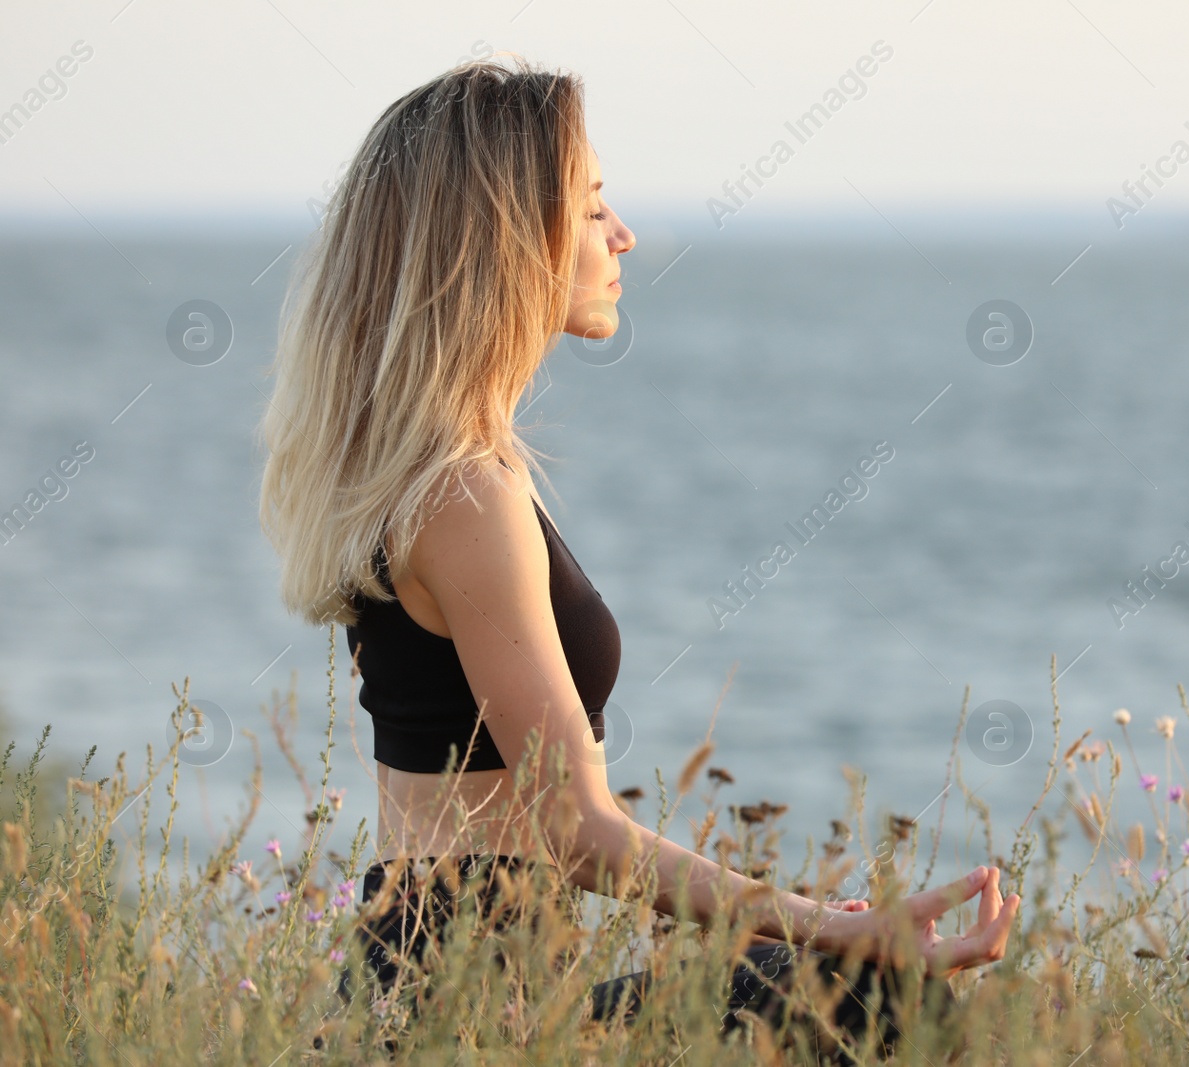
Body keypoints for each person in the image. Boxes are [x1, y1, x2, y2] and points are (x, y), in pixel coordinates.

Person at [257, 53, 1020, 1060]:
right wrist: (826, 921)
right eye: (592, 209)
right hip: (460, 1012)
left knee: (837, 987)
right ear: (504, 237)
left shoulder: (430, 472)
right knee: (874, 997)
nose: (623, 237)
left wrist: (782, 926)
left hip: (463, 988)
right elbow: (575, 825)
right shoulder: (463, 493)